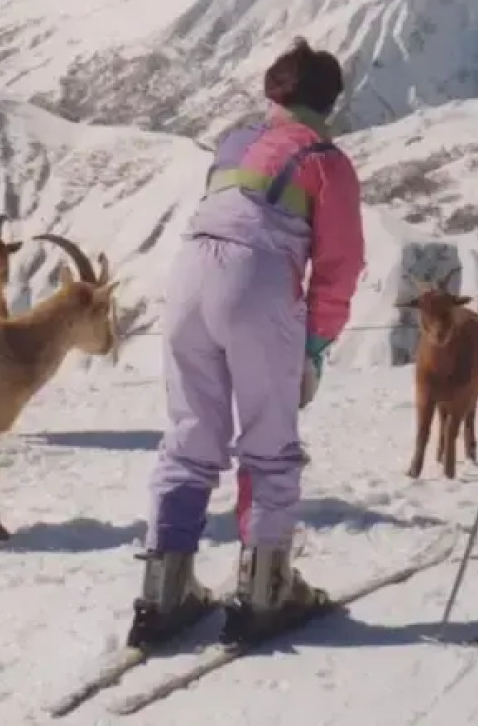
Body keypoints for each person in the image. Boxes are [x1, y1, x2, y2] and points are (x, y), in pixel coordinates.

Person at [129, 37, 367, 649]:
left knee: (189, 437)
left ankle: (164, 590)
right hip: (258, 283)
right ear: (330, 102)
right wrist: (313, 346)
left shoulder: (233, 143)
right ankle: (265, 591)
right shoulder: (327, 161)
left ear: (272, 94)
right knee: (267, 443)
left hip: (187, 279)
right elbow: (339, 265)